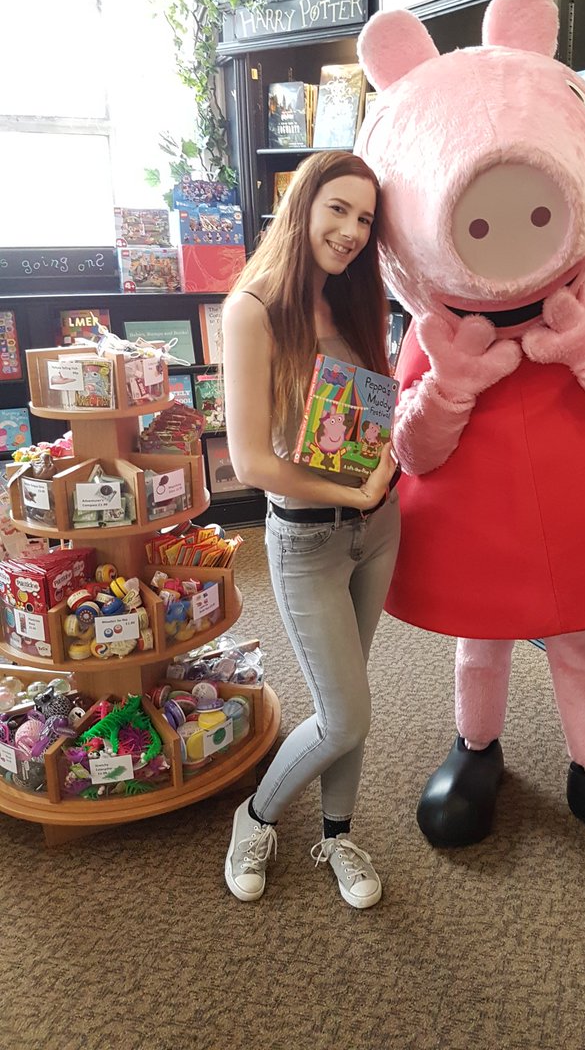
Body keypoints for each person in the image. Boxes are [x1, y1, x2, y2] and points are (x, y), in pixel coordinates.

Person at [221, 150, 400, 906]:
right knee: (345, 713)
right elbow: (251, 461)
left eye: (365, 218)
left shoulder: (356, 299)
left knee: (348, 698)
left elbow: (374, 408)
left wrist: (386, 465)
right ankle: (256, 817)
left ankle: (336, 836)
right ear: (303, 205)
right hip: (306, 540)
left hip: (378, 527)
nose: (352, 231)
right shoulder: (253, 309)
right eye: (338, 209)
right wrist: (352, 496)